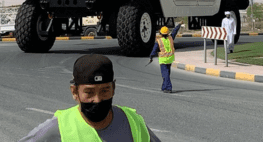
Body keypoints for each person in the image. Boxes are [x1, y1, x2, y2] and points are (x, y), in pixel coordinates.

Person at [19, 54, 161, 142]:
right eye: (89, 92)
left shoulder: (133, 122)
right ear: (75, 92)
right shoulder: (58, 128)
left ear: (113, 88)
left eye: (105, 90)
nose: (98, 100)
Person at [149, 21, 182, 93]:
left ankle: (169, 88)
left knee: (165, 74)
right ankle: (164, 87)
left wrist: (151, 57)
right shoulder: (170, 38)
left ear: (160, 33)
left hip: (163, 60)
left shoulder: (159, 41)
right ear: (167, 33)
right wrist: (178, 25)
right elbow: (174, 32)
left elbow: (154, 50)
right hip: (170, 59)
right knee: (167, 73)